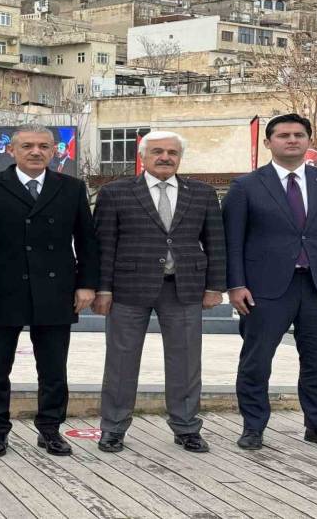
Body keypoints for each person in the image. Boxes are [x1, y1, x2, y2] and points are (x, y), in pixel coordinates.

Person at [223, 113, 317, 452]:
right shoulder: (246, 186)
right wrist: (235, 284)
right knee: (256, 361)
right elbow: (232, 241)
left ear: (308, 141)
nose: (292, 140)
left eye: (299, 134)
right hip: (264, 289)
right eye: (283, 135)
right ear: (268, 142)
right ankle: (253, 427)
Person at [0, 123, 99, 458]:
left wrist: (86, 283)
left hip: (55, 289)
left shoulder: (72, 188)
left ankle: (50, 429)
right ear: (11, 150)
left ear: (54, 151)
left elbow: (87, 240)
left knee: (53, 369)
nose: (36, 152)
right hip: (0, 289)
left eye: (43, 146)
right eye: (27, 146)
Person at [92, 131, 226, 453]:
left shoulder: (202, 193)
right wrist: (103, 289)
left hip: (184, 288)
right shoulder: (115, 192)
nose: (165, 157)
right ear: (142, 156)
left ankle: (186, 427)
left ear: (180, 157)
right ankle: (113, 428)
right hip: (128, 290)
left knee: (186, 362)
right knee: (121, 362)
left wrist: (215, 286)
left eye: (172, 152)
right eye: (157, 151)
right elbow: (104, 245)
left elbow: (216, 242)